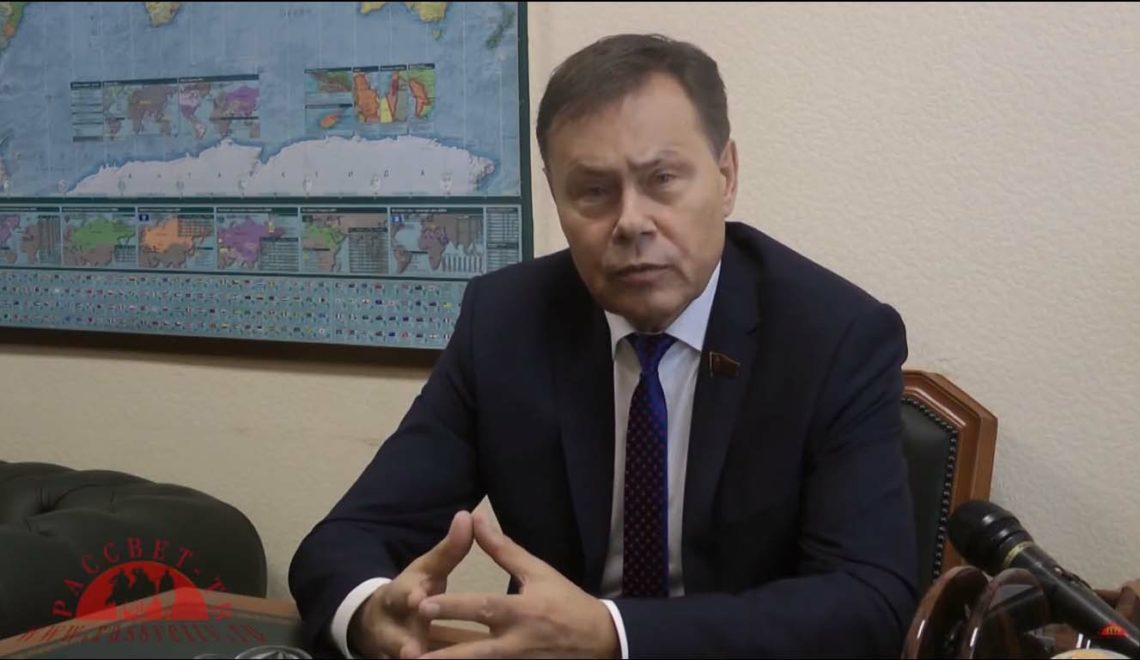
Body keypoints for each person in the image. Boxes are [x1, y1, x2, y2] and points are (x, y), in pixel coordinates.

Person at [290, 33, 918, 659]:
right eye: (593, 191)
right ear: (556, 196)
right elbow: (346, 539)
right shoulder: (506, 323)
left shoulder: (834, 337)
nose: (631, 222)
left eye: (663, 179)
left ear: (726, 177)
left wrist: (614, 634)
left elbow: (871, 602)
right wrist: (370, 612)